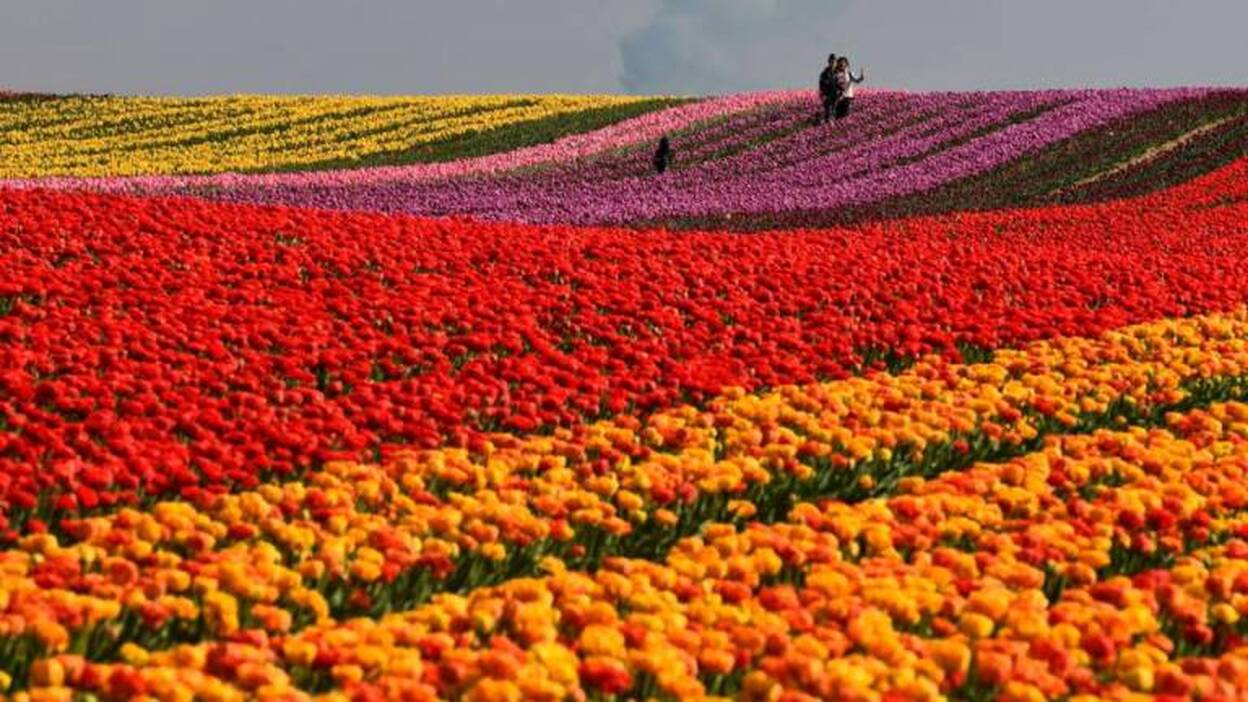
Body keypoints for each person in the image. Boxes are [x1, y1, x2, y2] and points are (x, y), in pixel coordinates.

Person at [818, 53, 840, 124]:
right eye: (831, 62)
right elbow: (821, 84)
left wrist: (840, 92)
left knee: (836, 112)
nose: (833, 63)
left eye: (834, 62)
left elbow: (841, 84)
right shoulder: (824, 73)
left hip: (836, 95)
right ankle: (828, 125)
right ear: (829, 62)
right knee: (828, 111)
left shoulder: (838, 73)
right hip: (828, 95)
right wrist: (822, 94)